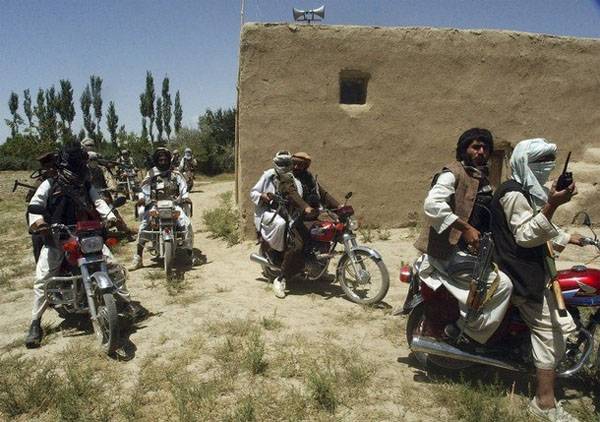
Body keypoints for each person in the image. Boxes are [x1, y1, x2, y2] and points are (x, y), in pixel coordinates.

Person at [490, 138, 582, 421]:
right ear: (522, 163)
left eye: (549, 161)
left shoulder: (527, 191)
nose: (547, 167)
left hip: (532, 267)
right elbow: (526, 234)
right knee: (548, 333)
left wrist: (567, 237)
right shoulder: (513, 194)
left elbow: (537, 224)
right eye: (540, 162)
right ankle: (544, 403)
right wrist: (553, 204)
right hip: (518, 271)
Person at [25, 142, 140, 348]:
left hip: (88, 235)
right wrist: (41, 223)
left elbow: (99, 202)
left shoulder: (85, 184)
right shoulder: (50, 183)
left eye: (81, 159)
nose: (80, 163)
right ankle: (35, 322)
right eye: (76, 159)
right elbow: (35, 205)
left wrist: (110, 216)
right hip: (59, 238)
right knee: (43, 279)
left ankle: (127, 302)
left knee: (113, 266)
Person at [413, 128, 513, 345]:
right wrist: (464, 227)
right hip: (447, 254)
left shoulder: (480, 177)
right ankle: (468, 334)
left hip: (469, 253)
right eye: (475, 147)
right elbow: (432, 205)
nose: (481, 151)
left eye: (485, 148)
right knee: (503, 284)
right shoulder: (452, 173)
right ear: (463, 149)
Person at [250, 151, 316, 298]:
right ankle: (280, 269)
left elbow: (304, 194)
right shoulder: (269, 175)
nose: (284, 166)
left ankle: (316, 267)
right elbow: (253, 192)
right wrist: (263, 196)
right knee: (283, 228)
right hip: (269, 211)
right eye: (281, 163)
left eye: (287, 163)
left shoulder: (298, 177)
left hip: (289, 211)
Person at [130, 147, 195, 269]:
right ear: (156, 161)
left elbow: (183, 188)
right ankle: (138, 257)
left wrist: (185, 197)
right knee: (143, 227)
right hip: (155, 205)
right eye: (160, 160)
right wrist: (142, 198)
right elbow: (144, 191)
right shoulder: (150, 175)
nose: (163, 162)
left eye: (165, 159)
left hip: (173, 205)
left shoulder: (176, 174)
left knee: (186, 224)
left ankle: (190, 254)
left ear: (169, 160)